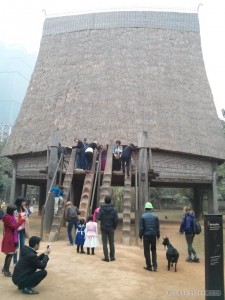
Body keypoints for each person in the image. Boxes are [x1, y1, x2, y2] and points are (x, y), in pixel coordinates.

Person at [1, 204, 26, 277]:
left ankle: (4, 269)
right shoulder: (7, 217)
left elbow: (15, 226)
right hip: (10, 238)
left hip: (12, 237)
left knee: (9, 254)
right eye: (14, 210)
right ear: (11, 211)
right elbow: (13, 226)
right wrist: (21, 220)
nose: (15, 211)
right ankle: (6, 271)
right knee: (10, 254)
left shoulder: (11, 216)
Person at [139, 202, 160, 272]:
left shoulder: (143, 216)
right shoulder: (155, 216)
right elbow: (157, 227)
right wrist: (158, 235)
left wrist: (140, 236)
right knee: (153, 250)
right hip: (153, 235)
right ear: (151, 208)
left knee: (147, 251)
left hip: (146, 236)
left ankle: (149, 266)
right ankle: (155, 266)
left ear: (145, 208)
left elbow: (142, 228)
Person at [98, 195, 118, 262]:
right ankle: (112, 257)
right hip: (111, 228)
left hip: (103, 228)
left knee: (104, 243)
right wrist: (114, 227)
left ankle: (106, 257)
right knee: (111, 242)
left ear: (105, 201)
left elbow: (99, 218)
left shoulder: (101, 208)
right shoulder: (114, 209)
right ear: (110, 201)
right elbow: (116, 219)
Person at [13, 196, 29, 265]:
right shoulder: (15, 210)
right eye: (23, 201)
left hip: (22, 229)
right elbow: (15, 218)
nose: (24, 203)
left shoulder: (23, 209)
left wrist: (26, 210)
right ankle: (15, 261)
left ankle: (21, 260)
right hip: (16, 229)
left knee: (22, 245)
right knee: (16, 245)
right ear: (20, 202)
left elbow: (27, 216)